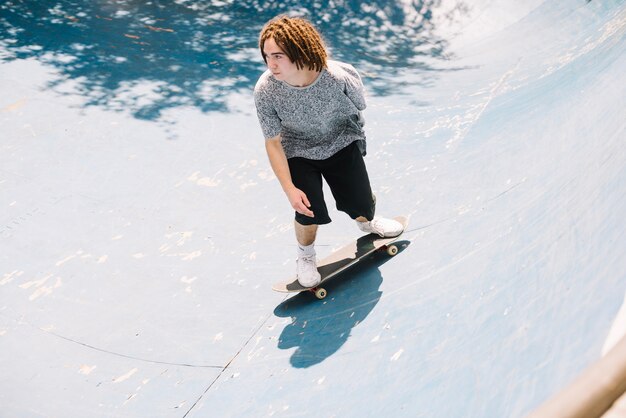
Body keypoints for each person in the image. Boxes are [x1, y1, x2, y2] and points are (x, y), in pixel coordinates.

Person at [254, 15, 404, 288]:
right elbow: (273, 142)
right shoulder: (266, 90)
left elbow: (359, 109)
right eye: (266, 56)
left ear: (300, 51)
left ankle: (367, 222)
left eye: (278, 56)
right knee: (308, 210)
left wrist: (356, 148)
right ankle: (305, 256)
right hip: (298, 150)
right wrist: (289, 188)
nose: (270, 64)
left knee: (360, 204)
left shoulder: (338, 77)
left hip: (341, 141)